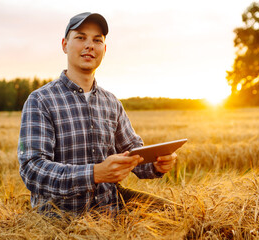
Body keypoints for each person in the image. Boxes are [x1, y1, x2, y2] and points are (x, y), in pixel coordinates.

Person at [18, 12, 178, 216]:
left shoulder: (111, 102)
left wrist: (156, 163)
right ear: (64, 44)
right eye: (81, 37)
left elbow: (133, 152)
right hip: (62, 213)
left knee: (181, 216)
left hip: (111, 204)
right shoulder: (40, 100)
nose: (89, 45)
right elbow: (32, 170)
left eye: (97, 40)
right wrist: (94, 174)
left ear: (104, 49)